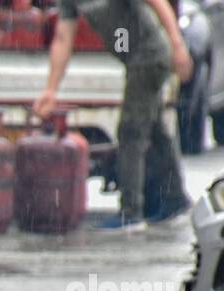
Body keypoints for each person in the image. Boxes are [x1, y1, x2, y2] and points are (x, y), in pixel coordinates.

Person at [34, 0, 194, 230]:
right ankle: (174, 199)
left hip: (149, 56)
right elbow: (62, 38)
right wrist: (51, 90)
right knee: (154, 128)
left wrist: (178, 46)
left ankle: (131, 211)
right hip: (137, 60)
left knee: (131, 131)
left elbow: (157, 3)